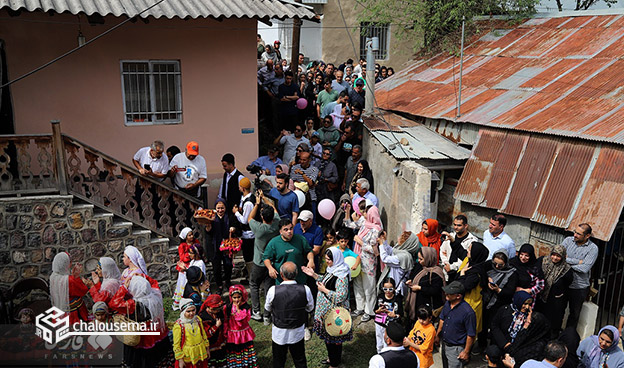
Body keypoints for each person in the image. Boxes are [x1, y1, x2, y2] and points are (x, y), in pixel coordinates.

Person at [302, 248, 353, 368]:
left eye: (329, 259)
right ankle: (332, 358)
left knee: (334, 339)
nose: (327, 261)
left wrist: (324, 290)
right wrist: (314, 275)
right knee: (329, 339)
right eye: (326, 259)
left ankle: (335, 363)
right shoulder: (332, 269)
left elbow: (341, 296)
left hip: (334, 314)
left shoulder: (341, 275)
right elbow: (326, 280)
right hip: (326, 311)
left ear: (336, 259)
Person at [109, 276, 171, 368]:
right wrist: (142, 277)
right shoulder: (156, 295)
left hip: (141, 336)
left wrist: (124, 288)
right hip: (156, 332)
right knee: (157, 356)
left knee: (141, 360)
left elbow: (113, 303)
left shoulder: (132, 304)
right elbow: (154, 282)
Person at [265, 262, 315, 368]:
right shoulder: (305, 289)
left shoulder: (273, 290)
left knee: (279, 361)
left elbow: (268, 308)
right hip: (297, 331)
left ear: (281, 275)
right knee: (300, 360)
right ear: (296, 273)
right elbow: (310, 308)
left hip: (279, 332)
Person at [490, 291, 550, 366]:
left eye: (529, 304)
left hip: (517, 350)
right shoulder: (504, 310)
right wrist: (505, 344)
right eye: (524, 304)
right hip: (502, 345)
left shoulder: (531, 318)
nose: (527, 307)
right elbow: (494, 325)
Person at [248, 191, 280, 323]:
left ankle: (256, 311)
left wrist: (256, 203)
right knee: (268, 287)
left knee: (254, 284)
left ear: (262, 217)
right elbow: (274, 209)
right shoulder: (277, 224)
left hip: (259, 262)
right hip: (271, 263)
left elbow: (249, 218)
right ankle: (267, 315)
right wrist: (266, 200)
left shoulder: (259, 228)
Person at [561, 223, 598, 330]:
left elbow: (585, 268)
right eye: (575, 232)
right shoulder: (568, 240)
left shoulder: (593, 248)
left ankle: (568, 338)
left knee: (574, 314)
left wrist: (566, 262)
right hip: (563, 283)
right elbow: (559, 257)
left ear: (587, 236)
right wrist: (578, 261)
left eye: (578, 234)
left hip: (579, 287)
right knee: (558, 309)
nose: (575, 235)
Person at [480, 250, 518, 351]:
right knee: (482, 325)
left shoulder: (511, 273)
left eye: (500, 265)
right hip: (485, 301)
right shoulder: (488, 266)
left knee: (495, 328)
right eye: (495, 264)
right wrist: (488, 279)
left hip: (499, 304)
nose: (496, 267)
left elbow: (510, 291)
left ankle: (492, 350)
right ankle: (481, 345)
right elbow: (481, 271)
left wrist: (498, 290)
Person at [352, 204, 383, 321]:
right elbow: (350, 224)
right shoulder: (365, 224)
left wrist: (360, 242)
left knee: (368, 286)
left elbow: (375, 250)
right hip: (358, 257)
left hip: (368, 262)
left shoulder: (376, 229)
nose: (365, 214)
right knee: (358, 283)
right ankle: (360, 306)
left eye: (368, 213)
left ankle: (369, 310)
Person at [436, 281, 477, 368]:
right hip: (444, 343)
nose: (446, 294)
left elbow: (471, 335)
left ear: (458, 296)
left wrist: (466, 352)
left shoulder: (468, 313)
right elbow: (442, 319)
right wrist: (437, 335)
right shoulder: (447, 304)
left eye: (450, 293)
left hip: (456, 349)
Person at [263, 219, 314, 285]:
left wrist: (311, 260)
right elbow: (266, 258)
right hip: (281, 282)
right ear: (280, 231)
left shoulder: (300, 239)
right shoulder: (274, 243)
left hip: (299, 280)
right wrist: (270, 268)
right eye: (286, 230)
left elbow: (309, 251)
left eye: (291, 228)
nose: (289, 231)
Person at [536, 245, 572, 337]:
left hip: (555, 300)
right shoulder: (542, 261)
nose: (555, 258)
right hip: (539, 297)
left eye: (558, 256)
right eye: (553, 254)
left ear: (563, 257)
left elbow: (568, 282)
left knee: (552, 323)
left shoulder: (566, 269)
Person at [405, 247, 446, 329]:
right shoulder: (419, 267)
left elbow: (435, 290)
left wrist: (420, 288)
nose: (419, 261)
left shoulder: (436, 273)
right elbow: (413, 277)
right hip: (416, 305)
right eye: (418, 258)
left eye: (421, 259)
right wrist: (410, 281)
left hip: (428, 308)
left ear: (428, 258)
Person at [456, 242, 489, 335]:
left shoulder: (475, 273)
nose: (467, 250)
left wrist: (462, 274)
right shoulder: (470, 263)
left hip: (470, 305)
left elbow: (463, 287)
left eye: (470, 249)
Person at [378, 231, 422, 297]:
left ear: (406, 243)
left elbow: (385, 259)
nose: (398, 238)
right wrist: (384, 240)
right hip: (393, 285)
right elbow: (390, 250)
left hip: (397, 288)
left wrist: (381, 244)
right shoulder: (400, 250)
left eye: (402, 238)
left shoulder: (404, 257)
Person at [50, 252, 89, 324]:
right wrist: (76, 277)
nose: (71, 264)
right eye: (70, 262)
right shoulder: (69, 280)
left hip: (59, 309)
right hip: (73, 313)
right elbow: (83, 290)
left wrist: (73, 276)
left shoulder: (53, 276)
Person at [205, 199, 234, 294]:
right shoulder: (212, 218)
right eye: (218, 208)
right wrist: (208, 229)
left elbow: (237, 228)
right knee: (216, 268)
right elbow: (208, 234)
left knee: (228, 265)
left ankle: (228, 282)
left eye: (222, 208)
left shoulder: (229, 217)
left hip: (226, 246)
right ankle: (219, 285)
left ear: (225, 208)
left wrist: (233, 229)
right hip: (215, 247)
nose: (220, 210)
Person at [225, 285, 258, 368]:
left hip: (243, 333)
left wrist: (238, 308)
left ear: (242, 296)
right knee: (235, 350)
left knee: (245, 349)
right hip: (233, 333)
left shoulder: (245, 307)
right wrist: (225, 332)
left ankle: (247, 364)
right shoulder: (228, 307)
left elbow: (241, 320)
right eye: (234, 298)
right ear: (231, 297)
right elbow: (226, 320)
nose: (237, 300)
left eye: (238, 297)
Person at [173, 298, 210, 368]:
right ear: (183, 312)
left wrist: (207, 349)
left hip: (200, 351)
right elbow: (176, 344)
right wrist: (180, 359)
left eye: (193, 310)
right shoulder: (179, 325)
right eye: (188, 311)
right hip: (188, 355)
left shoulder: (198, 320)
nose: (191, 313)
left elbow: (204, 335)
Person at [440, 214, 478, 281]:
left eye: (459, 225)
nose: (456, 227)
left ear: (465, 226)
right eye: (454, 225)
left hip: (459, 272)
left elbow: (467, 259)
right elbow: (442, 250)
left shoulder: (471, 240)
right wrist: (445, 263)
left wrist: (452, 267)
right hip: (446, 270)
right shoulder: (451, 236)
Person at [233, 177, 256, 281]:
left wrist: (236, 213)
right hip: (245, 233)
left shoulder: (248, 203)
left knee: (249, 256)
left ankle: (252, 278)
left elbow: (245, 220)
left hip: (249, 234)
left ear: (242, 188)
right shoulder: (245, 198)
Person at [174, 242, 206, 311]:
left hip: (199, 286)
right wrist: (186, 269)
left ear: (196, 254)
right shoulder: (192, 261)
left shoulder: (200, 263)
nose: (189, 254)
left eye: (191, 253)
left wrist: (187, 270)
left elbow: (197, 274)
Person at [374, 277, 404, 353]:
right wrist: (379, 310)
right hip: (380, 323)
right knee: (379, 339)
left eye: (390, 289)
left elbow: (401, 314)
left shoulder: (397, 299)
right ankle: (379, 352)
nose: (388, 291)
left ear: (394, 288)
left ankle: (386, 355)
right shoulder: (380, 297)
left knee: (388, 342)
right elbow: (375, 310)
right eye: (385, 289)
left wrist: (395, 316)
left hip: (391, 325)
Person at [173, 227, 199, 310]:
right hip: (185, 267)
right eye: (189, 235)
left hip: (194, 264)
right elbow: (183, 258)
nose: (192, 236)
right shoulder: (182, 246)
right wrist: (190, 253)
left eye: (192, 234)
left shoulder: (196, 242)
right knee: (184, 283)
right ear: (185, 237)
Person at [199, 295, 228, 368]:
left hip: (220, 341)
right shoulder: (203, 317)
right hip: (211, 344)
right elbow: (207, 334)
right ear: (208, 307)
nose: (217, 311)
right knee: (213, 360)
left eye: (218, 309)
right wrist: (216, 326)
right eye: (215, 309)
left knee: (221, 357)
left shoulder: (218, 312)